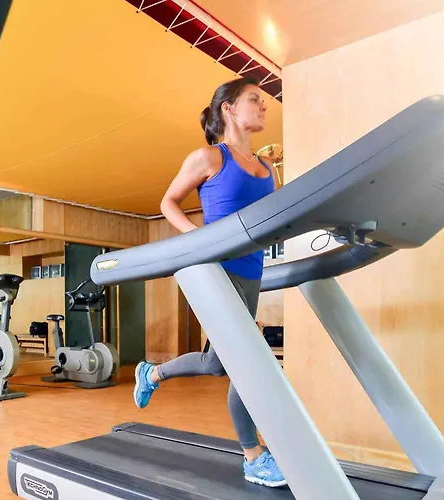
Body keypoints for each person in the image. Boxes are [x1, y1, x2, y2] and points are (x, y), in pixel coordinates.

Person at [133, 77, 286, 488]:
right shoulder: (209, 157)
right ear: (228, 109)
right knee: (244, 363)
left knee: (217, 364)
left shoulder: (267, 168)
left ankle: (152, 374)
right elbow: (168, 202)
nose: (264, 106)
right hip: (217, 271)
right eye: (254, 99)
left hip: (252, 272)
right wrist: (200, 240)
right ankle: (253, 456)